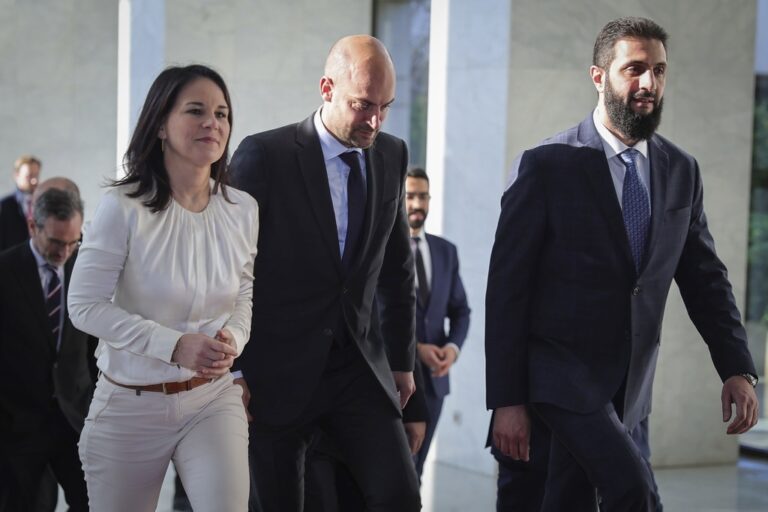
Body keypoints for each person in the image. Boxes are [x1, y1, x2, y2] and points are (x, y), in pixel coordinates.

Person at [485, 16, 759, 512]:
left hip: (633, 390)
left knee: (571, 501)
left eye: (658, 70)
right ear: (599, 76)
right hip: (559, 380)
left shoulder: (681, 170)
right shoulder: (545, 165)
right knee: (635, 492)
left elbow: (704, 279)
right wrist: (507, 401)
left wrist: (737, 367)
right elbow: (507, 291)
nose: (649, 83)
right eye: (634, 69)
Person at [230, 34, 421, 512]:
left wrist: (401, 360)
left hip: (359, 369)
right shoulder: (264, 156)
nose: (375, 121)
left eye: (386, 107)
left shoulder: (391, 155)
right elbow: (229, 269)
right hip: (276, 375)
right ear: (326, 88)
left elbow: (397, 269)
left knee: (400, 497)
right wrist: (234, 369)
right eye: (363, 105)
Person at [68, 64, 258, 511]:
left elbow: (245, 290)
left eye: (222, 113)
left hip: (212, 400)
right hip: (130, 405)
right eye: (196, 110)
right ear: (159, 125)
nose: (213, 123)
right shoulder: (123, 207)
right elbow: (84, 305)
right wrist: (172, 345)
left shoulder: (243, 208)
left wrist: (235, 336)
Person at [0, 186, 92, 511]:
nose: (64, 251)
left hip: (76, 419)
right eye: (55, 242)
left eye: (73, 241)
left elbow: (95, 344)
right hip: (18, 426)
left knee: (93, 503)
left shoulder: (87, 269)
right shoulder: (6, 272)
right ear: (32, 227)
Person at [404, 167, 470, 476]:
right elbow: (375, 314)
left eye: (423, 196)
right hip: (397, 380)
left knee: (417, 472)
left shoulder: (447, 251)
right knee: (397, 476)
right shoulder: (383, 250)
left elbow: (461, 311)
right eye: (410, 196)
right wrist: (416, 349)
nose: (417, 205)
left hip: (435, 385)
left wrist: (452, 349)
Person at [0, 155, 41, 251]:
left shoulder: (43, 203)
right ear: (17, 175)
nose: (34, 180)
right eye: (29, 176)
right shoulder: (4, 205)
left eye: (36, 175)